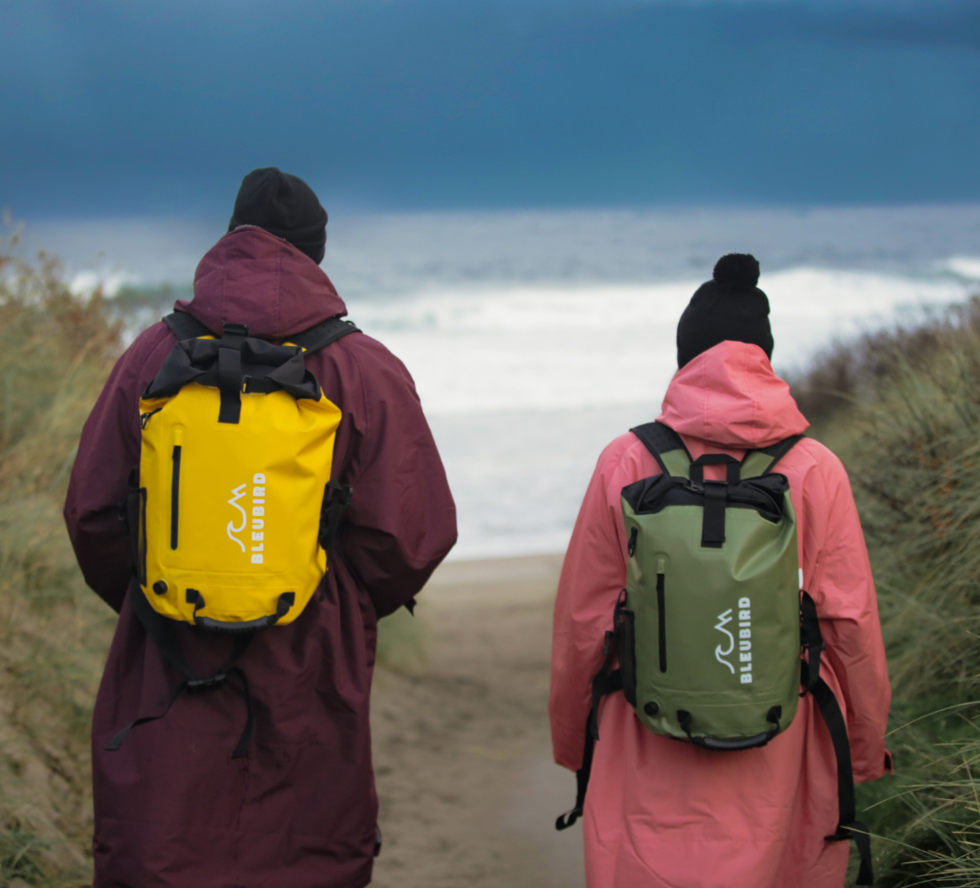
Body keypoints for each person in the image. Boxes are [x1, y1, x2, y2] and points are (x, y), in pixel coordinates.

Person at [64, 167, 457, 888]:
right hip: (310, 657)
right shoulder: (363, 369)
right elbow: (414, 535)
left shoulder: (151, 357)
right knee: (301, 851)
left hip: (166, 652)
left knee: (164, 845)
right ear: (316, 254)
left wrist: (166, 586)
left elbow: (91, 514)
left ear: (228, 239)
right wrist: (337, 598)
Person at [549, 254, 891, 888]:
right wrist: (864, 751)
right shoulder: (815, 467)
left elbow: (583, 620)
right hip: (782, 733)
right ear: (766, 358)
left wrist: (574, 742)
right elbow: (850, 621)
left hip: (645, 727)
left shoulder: (625, 459)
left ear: (684, 360)